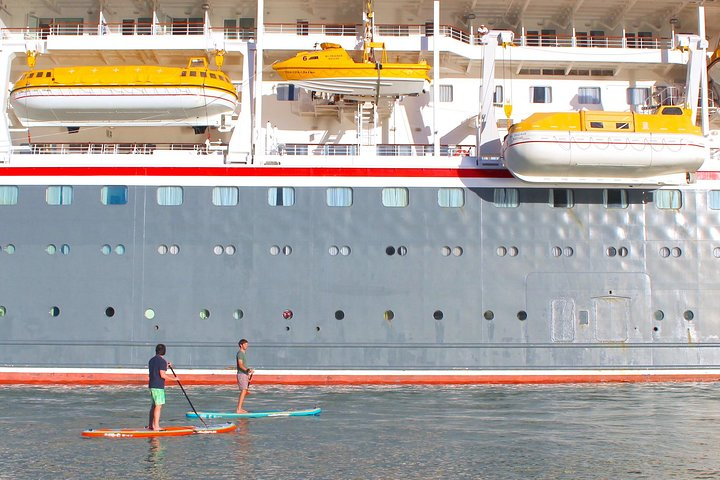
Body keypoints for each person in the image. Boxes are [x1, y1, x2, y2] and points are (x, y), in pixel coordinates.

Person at [148, 343, 178, 431]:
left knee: (153, 406)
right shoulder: (162, 361)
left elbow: (156, 369)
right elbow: (162, 375)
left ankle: (151, 425)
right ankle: (156, 426)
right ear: (164, 351)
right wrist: (174, 379)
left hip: (151, 385)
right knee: (158, 406)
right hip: (158, 386)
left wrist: (166, 366)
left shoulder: (151, 360)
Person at [235, 339, 254, 413]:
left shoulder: (243, 353)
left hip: (244, 374)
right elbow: (240, 365)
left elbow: (244, 366)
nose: (247, 346)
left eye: (247, 344)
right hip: (241, 374)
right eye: (245, 344)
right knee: (243, 391)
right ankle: (238, 409)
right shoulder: (240, 353)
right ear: (241, 345)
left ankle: (240, 408)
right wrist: (248, 370)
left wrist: (248, 373)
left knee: (245, 391)